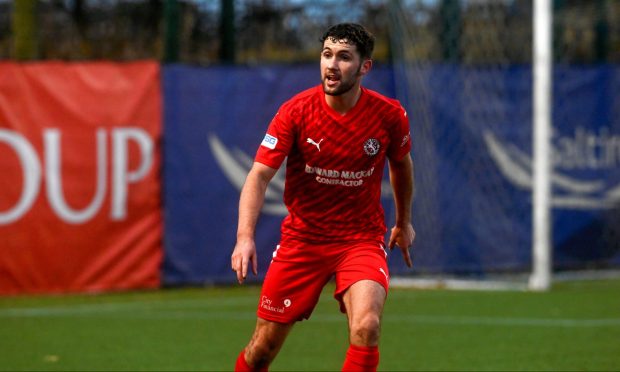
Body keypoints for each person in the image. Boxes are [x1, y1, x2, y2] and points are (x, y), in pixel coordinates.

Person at [231, 23, 415, 372]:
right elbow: (258, 175)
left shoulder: (389, 116)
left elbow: (402, 166)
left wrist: (403, 222)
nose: (331, 65)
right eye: (327, 55)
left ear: (365, 67)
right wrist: (244, 237)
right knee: (261, 350)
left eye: (344, 57)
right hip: (303, 241)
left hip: (360, 239)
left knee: (367, 326)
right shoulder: (296, 112)